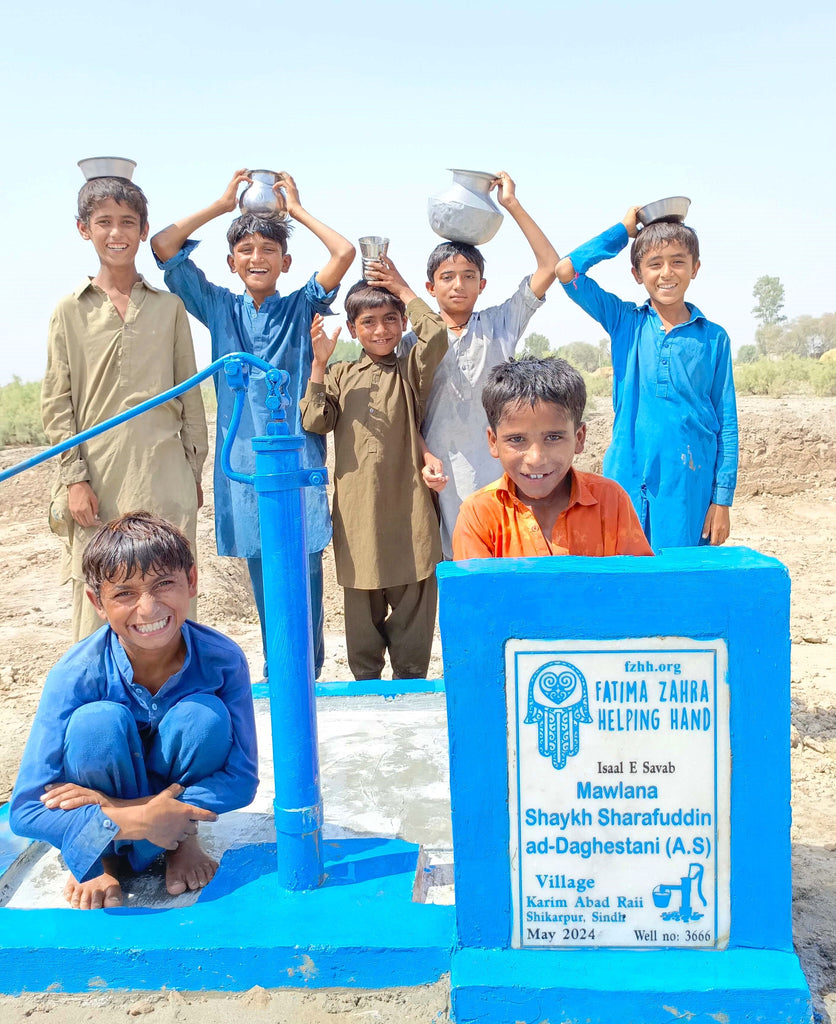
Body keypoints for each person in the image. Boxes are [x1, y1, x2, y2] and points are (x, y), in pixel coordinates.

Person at [151, 170, 355, 681]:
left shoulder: (300, 305)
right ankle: (278, 671)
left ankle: (307, 674)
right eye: (247, 250)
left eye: (269, 249)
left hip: (296, 460)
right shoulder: (219, 305)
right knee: (263, 574)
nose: (257, 258)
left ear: (286, 262)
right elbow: (163, 246)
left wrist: (297, 211)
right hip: (240, 463)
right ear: (231, 262)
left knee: (304, 571)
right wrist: (223, 205)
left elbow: (344, 253)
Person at [9, 512, 258, 910]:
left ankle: (181, 839)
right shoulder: (75, 674)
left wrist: (136, 811)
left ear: (191, 582)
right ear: (97, 603)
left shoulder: (223, 659)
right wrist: (127, 817)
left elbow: (242, 780)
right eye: (124, 594)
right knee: (97, 724)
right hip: (110, 816)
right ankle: (99, 853)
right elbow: (25, 810)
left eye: (164, 585)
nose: (148, 608)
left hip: (167, 807)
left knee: (203, 717)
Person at [42, 175, 208, 642]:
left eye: (128, 223)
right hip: (99, 483)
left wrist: (193, 471)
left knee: (170, 594)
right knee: (101, 599)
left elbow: (189, 394)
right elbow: (58, 404)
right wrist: (74, 479)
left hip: (165, 477)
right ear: (84, 229)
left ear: (143, 229)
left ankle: (176, 707)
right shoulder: (68, 310)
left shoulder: (169, 307)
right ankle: (105, 710)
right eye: (104, 223)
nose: (117, 233)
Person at [299, 258, 447, 680]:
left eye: (389, 320)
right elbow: (315, 420)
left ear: (402, 323)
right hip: (358, 515)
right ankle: (366, 688)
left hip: (410, 510)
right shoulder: (342, 373)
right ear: (353, 328)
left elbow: (434, 334)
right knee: (361, 614)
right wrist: (318, 365)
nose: (380, 330)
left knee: (415, 606)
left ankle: (410, 687)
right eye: (368, 322)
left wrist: (402, 288)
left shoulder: (409, 371)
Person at [556, 207, 738, 548]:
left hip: (687, 481)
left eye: (678, 261)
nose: (666, 273)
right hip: (627, 472)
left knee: (676, 582)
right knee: (622, 575)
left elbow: (726, 421)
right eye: (654, 264)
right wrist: (622, 231)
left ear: (695, 268)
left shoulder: (714, 338)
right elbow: (567, 270)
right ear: (637, 274)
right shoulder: (625, 321)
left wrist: (722, 499)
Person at [399, 171, 560, 557]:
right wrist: (424, 455)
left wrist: (512, 205)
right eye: (447, 277)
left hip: (501, 472)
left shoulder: (498, 325)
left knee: (506, 560)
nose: (458, 285)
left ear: (482, 285)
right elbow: (404, 413)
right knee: (455, 565)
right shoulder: (412, 342)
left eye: (469, 276)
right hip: (441, 478)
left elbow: (550, 266)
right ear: (429, 288)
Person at [452, 357, 653, 560]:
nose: (536, 458)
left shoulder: (610, 502)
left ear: (579, 438)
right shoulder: (478, 515)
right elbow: (473, 590)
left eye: (553, 437)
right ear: (493, 442)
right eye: (517, 439)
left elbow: (638, 584)